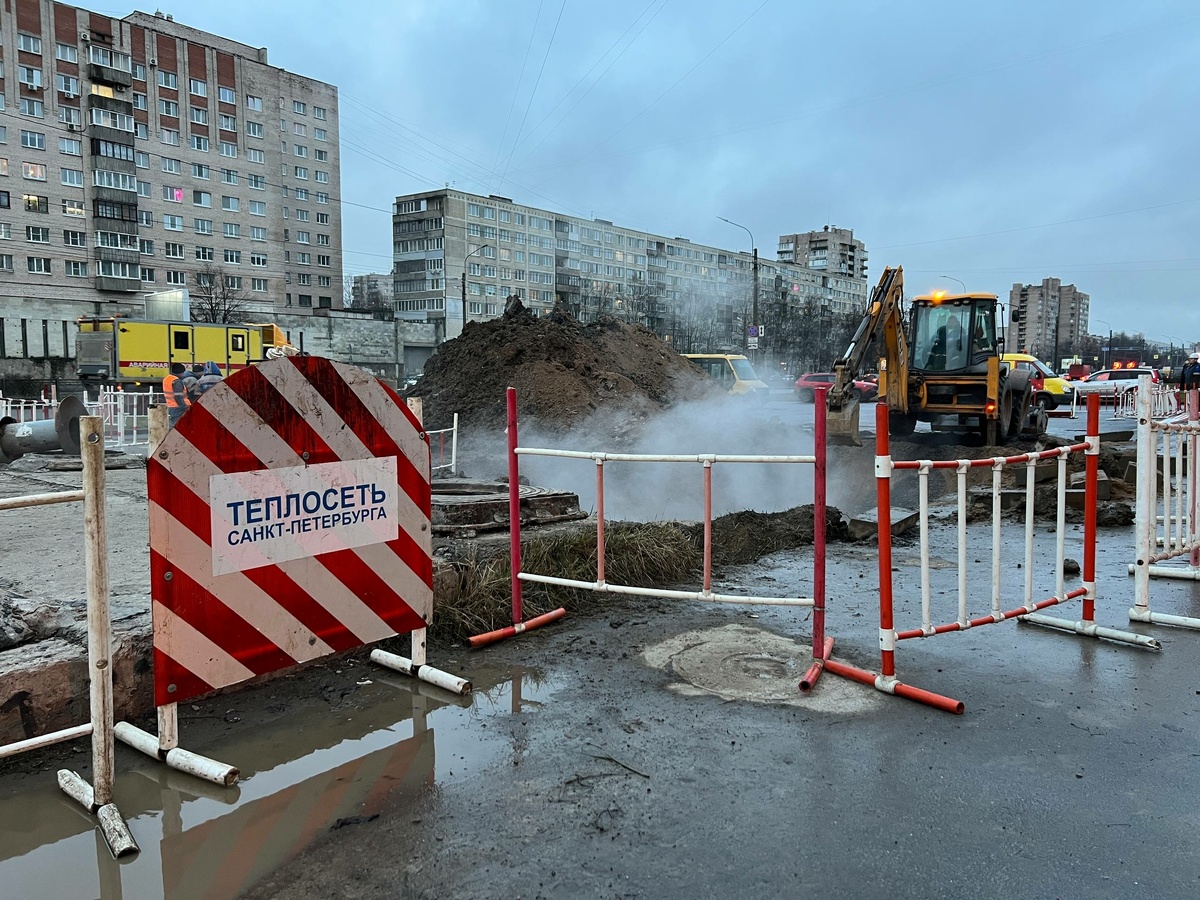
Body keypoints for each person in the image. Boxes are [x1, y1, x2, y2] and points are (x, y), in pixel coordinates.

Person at [162, 363, 189, 428]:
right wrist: (184, 407)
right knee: (180, 427)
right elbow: (178, 396)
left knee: (174, 426)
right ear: (180, 372)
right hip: (179, 408)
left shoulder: (167, 379)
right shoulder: (176, 381)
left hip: (171, 406)